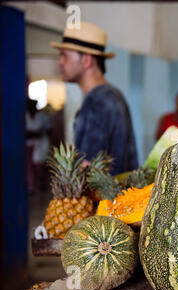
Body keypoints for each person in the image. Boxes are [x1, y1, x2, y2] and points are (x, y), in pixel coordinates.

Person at [51, 21, 137, 175]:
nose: (60, 63)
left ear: (86, 60)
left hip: (104, 199)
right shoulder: (113, 95)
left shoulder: (97, 102)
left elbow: (87, 170)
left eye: (64, 56)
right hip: (122, 196)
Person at [25, 98, 53, 193]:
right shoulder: (25, 116)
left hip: (40, 144)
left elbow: (49, 130)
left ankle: (42, 181)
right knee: (29, 165)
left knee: (39, 164)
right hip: (28, 144)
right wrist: (34, 133)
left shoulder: (43, 117)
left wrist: (36, 133)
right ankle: (31, 186)